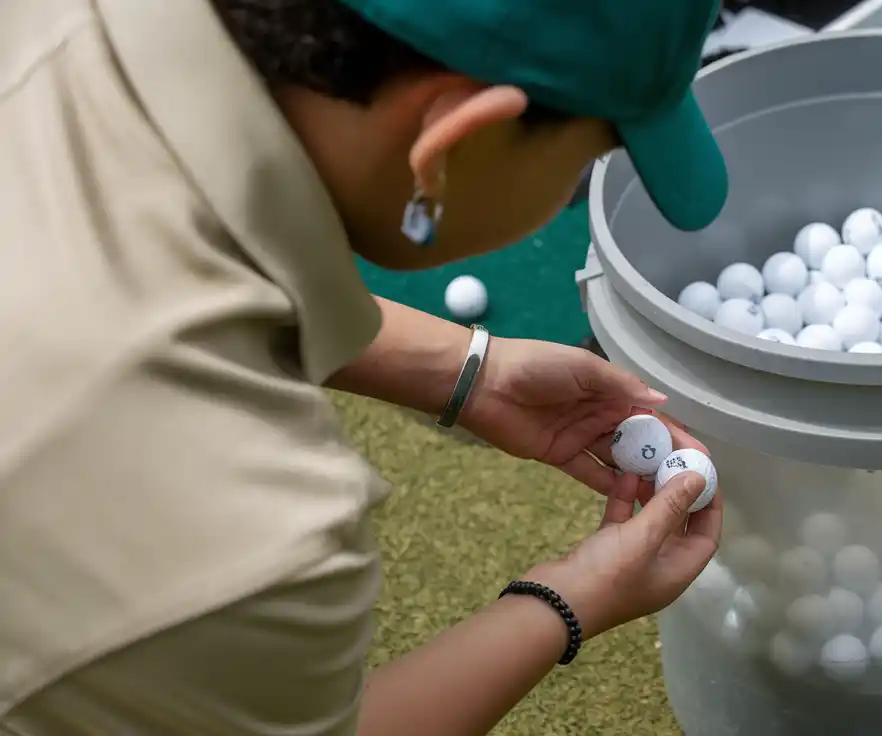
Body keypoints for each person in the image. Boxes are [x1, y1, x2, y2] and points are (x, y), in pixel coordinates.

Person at [0, 0, 731, 733]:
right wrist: (566, 603)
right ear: (452, 142)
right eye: (584, 160)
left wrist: (466, 371)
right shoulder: (250, 530)